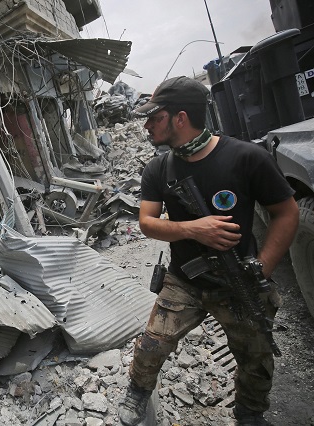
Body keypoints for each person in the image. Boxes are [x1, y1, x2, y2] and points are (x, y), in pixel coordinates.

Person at [118, 77, 299, 426]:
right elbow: (147, 222)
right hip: (185, 280)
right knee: (152, 344)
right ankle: (138, 391)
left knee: (255, 357)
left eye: (154, 117)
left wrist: (263, 267)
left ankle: (249, 413)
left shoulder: (247, 157)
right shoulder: (159, 168)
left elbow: (286, 212)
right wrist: (191, 229)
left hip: (238, 282)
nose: (146, 125)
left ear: (180, 117)